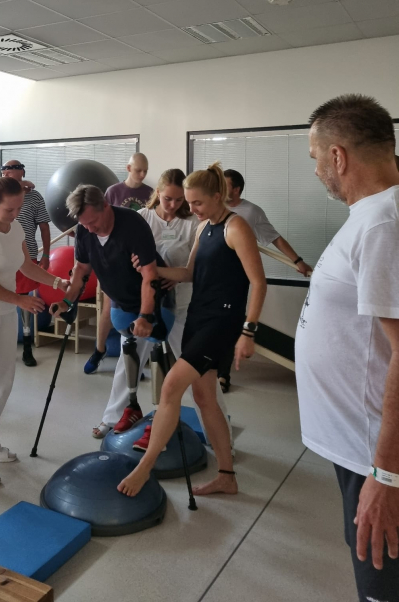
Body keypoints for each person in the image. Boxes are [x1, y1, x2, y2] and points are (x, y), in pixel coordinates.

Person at [296, 94, 399, 601]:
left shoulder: (383, 222)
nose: (317, 170)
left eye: (316, 157)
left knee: (381, 584)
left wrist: (387, 475)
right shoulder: (373, 215)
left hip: (374, 453)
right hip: (359, 448)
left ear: (338, 156)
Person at [117, 163, 267, 498]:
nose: (192, 209)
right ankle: (227, 476)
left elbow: (258, 282)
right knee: (204, 398)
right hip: (198, 316)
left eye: (197, 203)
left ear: (218, 196)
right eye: (189, 203)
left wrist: (249, 331)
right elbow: (188, 273)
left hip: (222, 321)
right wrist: (149, 269)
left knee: (171, 387)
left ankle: (144, 468)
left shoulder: (236, 227)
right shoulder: (204, 228)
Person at [0, 176, 69, 489]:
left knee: (2, 383)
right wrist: (20, 300)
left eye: (19, 208)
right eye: (9, 209)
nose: (15, 214)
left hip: (4, 312)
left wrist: (56, 282)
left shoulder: (15, 227)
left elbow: (25, 265)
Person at [53, 184, 172, 439]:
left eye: (93, 222)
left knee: (179, 362)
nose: (90, 228)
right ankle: (116, 416)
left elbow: (149, 275)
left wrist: (146, 316)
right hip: (121, 300)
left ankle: (193, 422)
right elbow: (81, 269)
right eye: (84, 224)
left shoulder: (132, 225)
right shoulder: (84, 230)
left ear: (106, 206)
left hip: (153, 299)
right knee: (128, 357)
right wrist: (67, 302)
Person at [219, 168, 313, 393]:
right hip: (212, 274)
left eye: (225, 185)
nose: (219, 189)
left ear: (236, 189)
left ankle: (223, 373)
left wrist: (298, 261)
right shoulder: (214, 207)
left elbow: (274, 238)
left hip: (238, 275)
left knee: (229, 323)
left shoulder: (251, 211)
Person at [85, 153, 154, 374]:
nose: (142, 174)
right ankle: (99, 350)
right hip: (111, 261)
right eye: (138, 170)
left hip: (138, 260)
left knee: (144, 303)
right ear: (128, 168)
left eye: (145, 171)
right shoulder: (113, 191)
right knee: (108, 307)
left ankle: (138, 360)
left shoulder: (150, 193)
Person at [0, 159, 51, 367]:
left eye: (11, 169)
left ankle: (27, 347)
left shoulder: (34, 197)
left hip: (26, 257)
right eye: (4, 170)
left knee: (25, 303)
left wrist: (46, 254)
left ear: (21, 171)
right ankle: (3, 347)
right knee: (1, 300)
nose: (6, 172)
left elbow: (44, 227)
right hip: (1, 257)